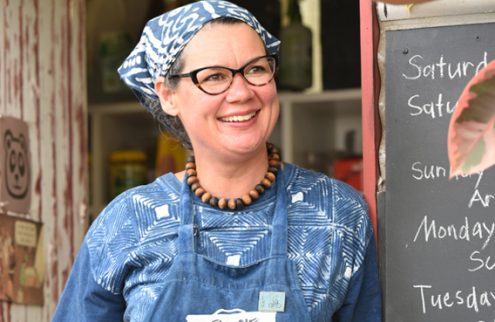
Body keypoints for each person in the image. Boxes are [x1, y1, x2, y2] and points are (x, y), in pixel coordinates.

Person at [52, 1, 381, 321]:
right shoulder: (128, 223)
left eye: (256, 69)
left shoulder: (337, 214)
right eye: (213, 77)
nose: (241, 92)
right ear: (168, 95)